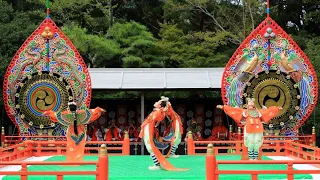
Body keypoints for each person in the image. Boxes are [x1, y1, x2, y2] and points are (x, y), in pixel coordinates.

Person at [216, 98, 281, 160]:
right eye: (249, 103)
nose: (250, 103)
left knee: (257, 142)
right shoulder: (245, 112)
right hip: (249, 128)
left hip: (258, 128)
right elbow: (234, 110)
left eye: (252, 102)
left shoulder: (258, 112)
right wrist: (223, 107)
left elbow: (267, 111)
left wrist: (277, 108)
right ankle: (250, 157)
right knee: (250, 142)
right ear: (247, 105)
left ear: (254, 105)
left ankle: (255, 157)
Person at [139, 97, 188, 171]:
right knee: (149, 145)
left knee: (149, 145)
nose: (156, 102)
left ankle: (157, 165)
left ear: (160, 106)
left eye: (158, 102)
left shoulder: (159, 112)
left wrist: (165, 101)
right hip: (148, 126)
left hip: (149, 126)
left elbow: (165, 108)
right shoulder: (159, 111)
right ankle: (157, 163)